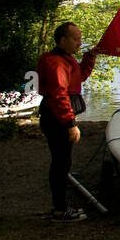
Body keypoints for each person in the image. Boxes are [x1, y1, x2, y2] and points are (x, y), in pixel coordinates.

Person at [37, 22, 96, 222]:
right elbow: (59, 94)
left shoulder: (65, 60)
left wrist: (90, 58)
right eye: (76, 39)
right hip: (56, 118)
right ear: (63, 40)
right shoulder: (55, 62)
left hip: (56, 117)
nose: (79, 43)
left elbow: (79, 78)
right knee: (61, 164)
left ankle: (60, 208)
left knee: (63, 163)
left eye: (80, 39)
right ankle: (60, 211)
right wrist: (71, 123)